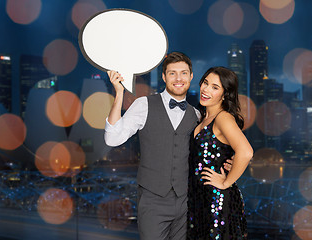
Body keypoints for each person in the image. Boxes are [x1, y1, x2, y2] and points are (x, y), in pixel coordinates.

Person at [104, 52, 231, 240]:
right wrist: (119, 93)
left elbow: (210, 151)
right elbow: (112, 139)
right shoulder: (143, 105)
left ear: (191, 76)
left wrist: (229, 162)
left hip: (186, 201)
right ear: (164, 77)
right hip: (152, 200)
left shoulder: (197, 115)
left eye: (183, 73)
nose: (178, 78)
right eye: (172, 73)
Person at [187, 66, 253, 239]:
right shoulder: (203, 117)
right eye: (205, 83)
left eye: (215, 87)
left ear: (224, 95)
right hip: (198, 198)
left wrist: (226, 183)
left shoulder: (223, 117)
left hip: (216, 199)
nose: (206, 89)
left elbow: (246, 152)